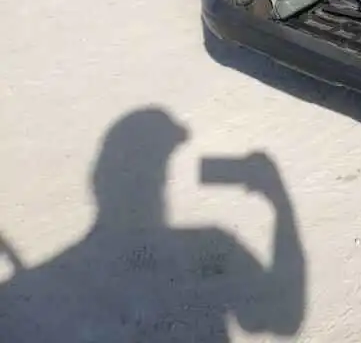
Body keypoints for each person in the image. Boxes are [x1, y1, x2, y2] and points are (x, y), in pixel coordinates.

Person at [0, 108, 306, 343]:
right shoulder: (211, 246)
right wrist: (280, 204)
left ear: (98, 183)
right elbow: (283, 318)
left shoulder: (27, 297)